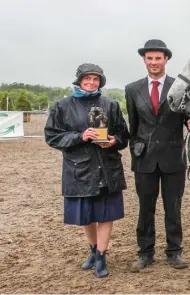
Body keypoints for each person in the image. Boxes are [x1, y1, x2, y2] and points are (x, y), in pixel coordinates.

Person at [44, 63, 130, 278]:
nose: (91, 83)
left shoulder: (111, 105)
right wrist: (79, 136)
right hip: (79, 169)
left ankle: (101, 255)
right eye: (87, 78)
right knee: (87, 216)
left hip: (107, 168)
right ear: (79, 80)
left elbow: (123, 136)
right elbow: (52, 136)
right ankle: (92, 249)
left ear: (101, 81)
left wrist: (113, 141)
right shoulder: (62, 106)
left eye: (96, 79)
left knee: (106, 214)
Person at [125, 39, 190, 271]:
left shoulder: (180, 86)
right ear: (144, 60)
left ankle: (174, 252)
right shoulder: (132, 89)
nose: (154, 62)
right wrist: (136, 148)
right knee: (145, 208)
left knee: (173, 208)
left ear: (166, 59)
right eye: (150, 58)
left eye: (158, 58)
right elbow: (134, 126)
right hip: (144, 159)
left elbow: (188, 116)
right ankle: (145, 253)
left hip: (173, 158)